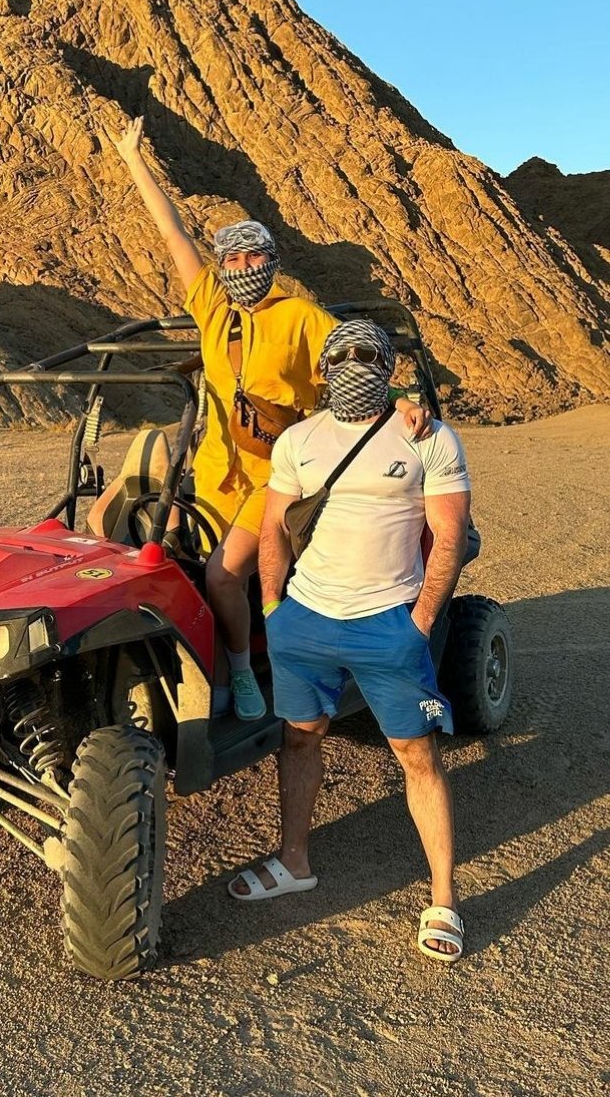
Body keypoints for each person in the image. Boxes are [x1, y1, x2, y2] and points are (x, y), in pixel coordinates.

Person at [114, 116, 430, 720]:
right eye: (230, 258)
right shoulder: (212, 306)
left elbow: (357, 362)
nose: (239, 266)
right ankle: (205, 662)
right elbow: (173, 234)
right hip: (214, 469)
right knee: (164, 553)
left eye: (251, 254)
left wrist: (401, 403)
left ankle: (240, 674)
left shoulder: (302, 317)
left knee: (223, 575)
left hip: (277, 474)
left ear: (271, 258)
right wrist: (134, 161)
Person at [229, 318, 471, 963]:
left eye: (370, 356)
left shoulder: (428, 436)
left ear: (390, 366)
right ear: (325, 367)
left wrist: (418, 621)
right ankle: (294, 861)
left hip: (387, 621)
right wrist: (275, 605)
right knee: (299, 737)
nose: (355, 364)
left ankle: (444, 897)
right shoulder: (300, 440)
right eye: (343, 355)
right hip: (305, 617)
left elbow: (448, 536)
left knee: (415, 754)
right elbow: (275, 526)